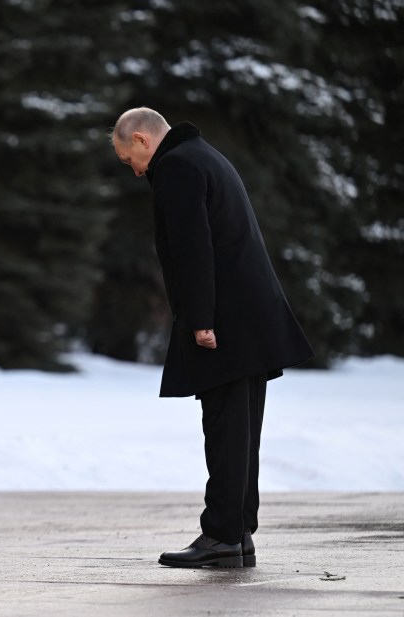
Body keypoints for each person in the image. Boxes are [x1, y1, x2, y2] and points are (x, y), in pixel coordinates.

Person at [110, 107, 314, 568]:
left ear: (141, 140)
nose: (135, 171)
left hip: (223, 319)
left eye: (129, 160)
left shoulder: (177, 166)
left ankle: (221, 536)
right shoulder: (204, 155)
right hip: (249, 315)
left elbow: (193, 245)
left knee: (224, 428)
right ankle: (237, 532)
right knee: (241, 431)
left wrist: (201, 320)